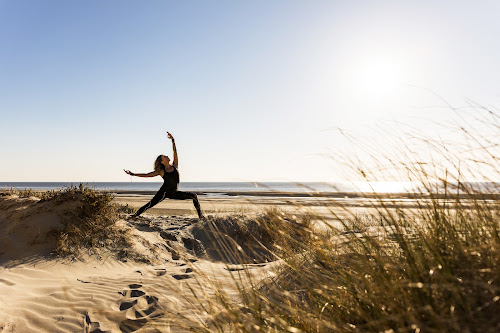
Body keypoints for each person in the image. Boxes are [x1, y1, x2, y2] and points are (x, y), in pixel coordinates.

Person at [124, 131, 204, 219]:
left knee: (194, 196)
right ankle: (134, 216)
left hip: (174, 193)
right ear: (162, 162)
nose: (166, 156)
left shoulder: (175, 166)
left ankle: (200, 216)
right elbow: (147, 175)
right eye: (164, 156)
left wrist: (173, 140)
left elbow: (175, 151)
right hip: (164, 192)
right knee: (150, 204)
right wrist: (133, 174)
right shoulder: (162, 171)